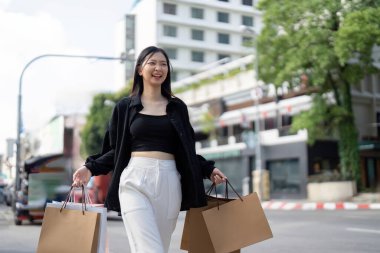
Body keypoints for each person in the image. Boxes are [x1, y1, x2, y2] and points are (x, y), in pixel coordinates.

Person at [72, 46, 227, 253]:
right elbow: (115, 151)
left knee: (159, 248)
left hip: (170, 183)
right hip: (134, 180)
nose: (158, 68)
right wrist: (89, 168)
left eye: (163, 64)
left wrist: (208, 169)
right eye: (152, 63)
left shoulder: (177, 107)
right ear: (139, 69)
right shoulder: (124, 107)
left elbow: (187, 150)